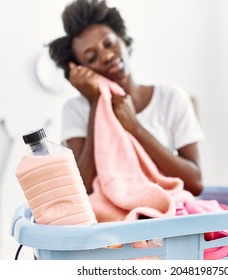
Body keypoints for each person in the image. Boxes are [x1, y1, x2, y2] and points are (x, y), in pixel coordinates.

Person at [48, 0, 204, 196]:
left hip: (169, 216)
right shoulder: (76, 109)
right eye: (91, 57)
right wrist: (96, 102)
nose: (105, 56)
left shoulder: (171, 98)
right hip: (110, 224)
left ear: (125, 42)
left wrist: (134, 127)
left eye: (109, 43)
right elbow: (83, 191)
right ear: (81, 70)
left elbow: (195, 183)